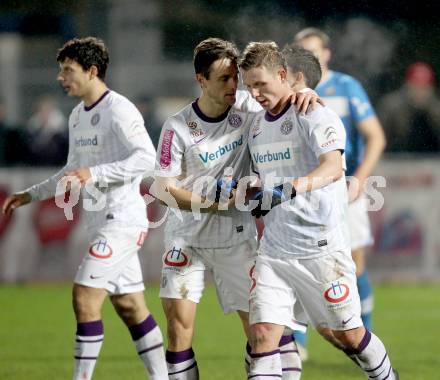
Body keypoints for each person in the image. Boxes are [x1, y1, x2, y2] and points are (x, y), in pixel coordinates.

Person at [2, 37, 168, 380]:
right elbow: (70, 172)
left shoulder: (119, 109)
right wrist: (30, 195)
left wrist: (96, 173)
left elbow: (145, 158)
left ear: (92, 71)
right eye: (61, 70)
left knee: (84, 296)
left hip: (122, 221)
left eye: (68, 70)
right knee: (130, 307)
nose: (62, 78)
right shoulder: (78, 115)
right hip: (99, 221)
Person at [152, 37, 319, 379]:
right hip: (186, 238)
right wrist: (208, 203)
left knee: (262, 330)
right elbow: (161, 188)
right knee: (179, 329)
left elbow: (282, 98)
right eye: (223, 79)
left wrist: (307, 94)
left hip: (235, 236)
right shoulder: (177, 127)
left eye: (235, 79)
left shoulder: (247, 107)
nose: (234, 86)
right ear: (201, 80)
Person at [240, 41, 398, 380]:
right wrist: (251, 190)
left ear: (283, 76)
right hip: (275, 252)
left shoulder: (313, 112)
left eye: (260, 84)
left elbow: (333, 169)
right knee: (265, 335)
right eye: (249, 86)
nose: (253, 93)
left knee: (348, 335)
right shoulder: (255, 126)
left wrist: (286, 190)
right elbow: (265, 179)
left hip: (322, 250)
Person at [293, 27, 386, 356]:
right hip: (304, 191)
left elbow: (375, 135)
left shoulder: (346, 87)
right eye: (303, 51)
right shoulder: (290, 91)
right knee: (296, 261)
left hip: (343, 187)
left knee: (354, 262)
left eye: (315, 50)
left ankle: (366, 335)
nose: (310, 56)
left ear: (327, 53)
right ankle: (298, 345)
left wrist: (360, 178)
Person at [378, 61, 440, 152]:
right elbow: (378, 138)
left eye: (423, 88)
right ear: (407, 85)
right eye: (415, 86)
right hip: (395, 159)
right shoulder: (391, 107)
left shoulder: (436, 109)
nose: (419, 92)